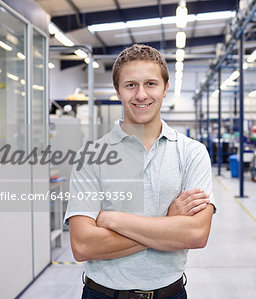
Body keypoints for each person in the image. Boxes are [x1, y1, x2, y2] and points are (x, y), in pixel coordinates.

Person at [64, 44, 216, 299]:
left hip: (170, 293)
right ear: (118, 91)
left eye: (151, 84)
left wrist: (114, 220)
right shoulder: (90, 156)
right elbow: (83, 245)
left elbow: (196, 234)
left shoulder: (192, 153)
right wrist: (169, 224)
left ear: (165, 88)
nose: (141, 95)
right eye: (131, 85)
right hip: (103, 294)